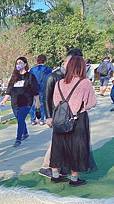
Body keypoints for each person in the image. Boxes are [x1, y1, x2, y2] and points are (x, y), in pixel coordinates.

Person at [49, 55, 97, 186]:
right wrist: (79, 106)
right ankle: (74, 178)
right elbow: (92, 103)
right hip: (78, 118)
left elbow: (55, 101)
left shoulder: (59, 82)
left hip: (61, 117)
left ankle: (55, 174)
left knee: (58, 145)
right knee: (77, 146)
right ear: (81, 67)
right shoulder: (85, 82)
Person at [38, 48, 84, 178]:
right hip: (57, 115)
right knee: (56, 142)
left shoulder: (73, 76)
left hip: (69, 115)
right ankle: (46, 166)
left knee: (65, 141)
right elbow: (46, 98)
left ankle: (60, 166)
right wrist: (48, 116)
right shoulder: (53, 76)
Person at [0, 57, 40, 147]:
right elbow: (9, 90)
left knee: (21, 119)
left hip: (26, 103)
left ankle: (18, 139)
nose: (18, 64)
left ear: (25, 64)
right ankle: (25, 133)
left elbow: (35, 91)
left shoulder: (30, 76)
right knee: (20, 119)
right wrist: (4, 100)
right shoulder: (14, 77)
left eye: (20, 62)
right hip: (15, 103)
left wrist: (37, 103)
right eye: (17, 63)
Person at [29, 54, 52, 125]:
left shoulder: (32, 70)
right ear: (45, 60)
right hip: (44, 88)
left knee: (33, 104)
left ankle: (33, 119)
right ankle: (42, 119)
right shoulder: (48, 69)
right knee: (42, 103)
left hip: (34, 88)